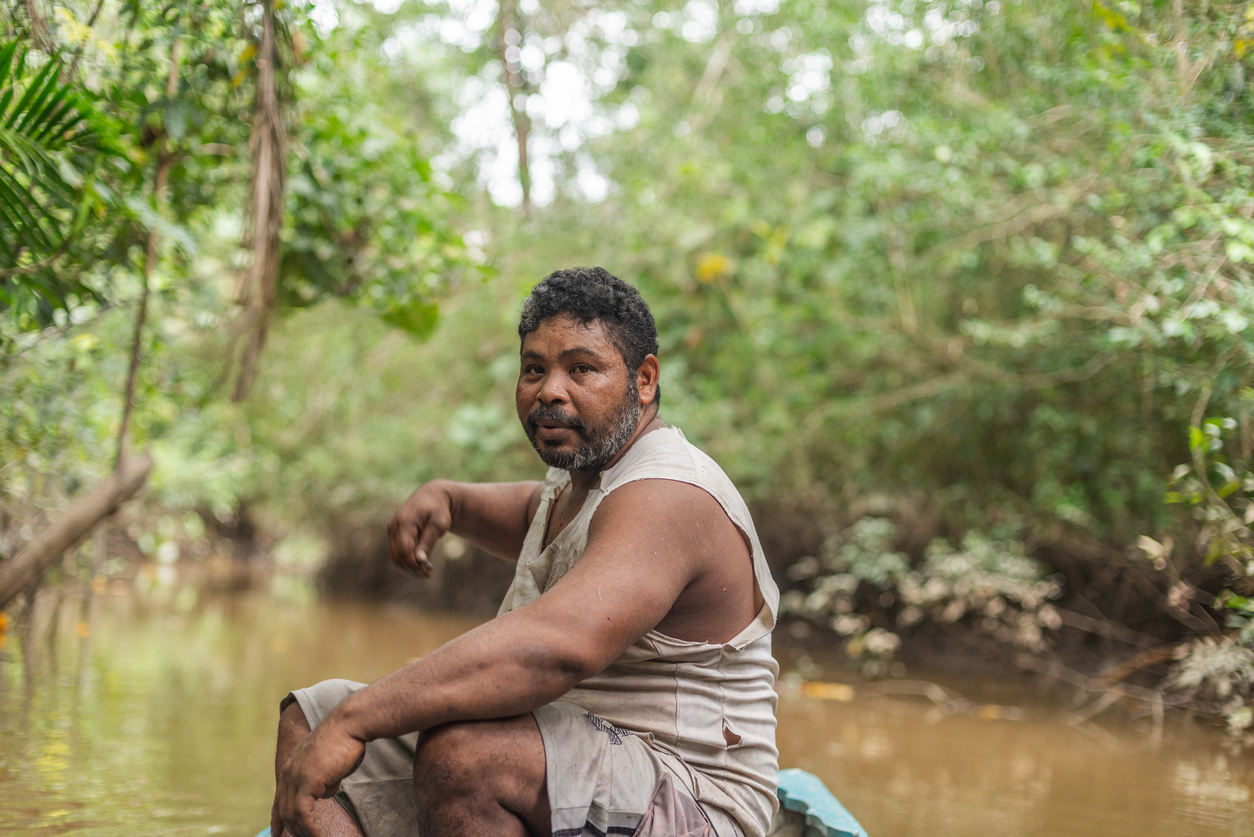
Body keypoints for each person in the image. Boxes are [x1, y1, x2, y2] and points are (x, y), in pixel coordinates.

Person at [271, 267, 781, 837]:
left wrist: (358, 720)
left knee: (465, 753)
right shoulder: (583, 482)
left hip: (695, 798)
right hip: (574, 760)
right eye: (534, 369)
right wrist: (452, 501)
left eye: (582, 368)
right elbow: (533, 516)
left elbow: (559, 646)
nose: (550, 390)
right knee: (310, 716)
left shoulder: (670, 492)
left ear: (644, 380)